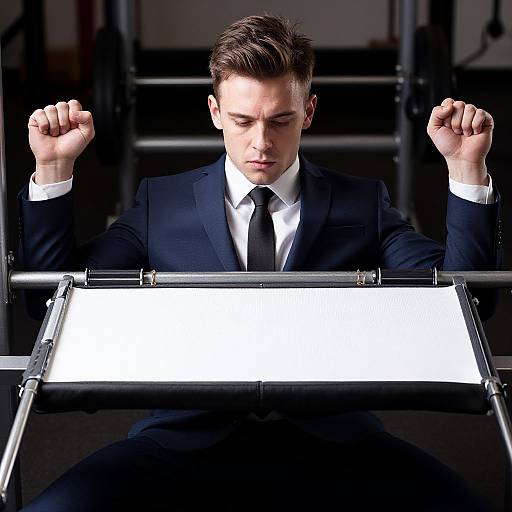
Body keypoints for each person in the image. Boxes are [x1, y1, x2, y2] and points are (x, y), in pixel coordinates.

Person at [18, 14, 499, 512]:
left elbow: (468, 300)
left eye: (281, 120)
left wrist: (466, 169)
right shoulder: (163, 203)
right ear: (215, 112)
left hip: (334, 445)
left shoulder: (361, 204)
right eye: (243, 121)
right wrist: (54, 169)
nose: (261, 143)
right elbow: (49, 300)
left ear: (309, 111)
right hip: (184, 442)